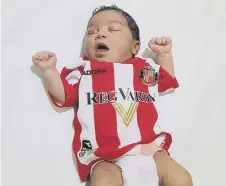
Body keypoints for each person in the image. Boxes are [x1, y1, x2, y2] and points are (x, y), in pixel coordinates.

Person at [32, 4, 193, 186]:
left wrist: (164, 55)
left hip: (150, 149)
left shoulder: (140, 69)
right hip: (104, 157)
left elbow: (165, 81)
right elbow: (64, 96)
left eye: (113, 29)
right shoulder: (84, 71)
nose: (100, 34)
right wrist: (49, 70)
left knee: (181, 178)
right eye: (91, 32)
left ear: (135, 46)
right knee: (104, 181)